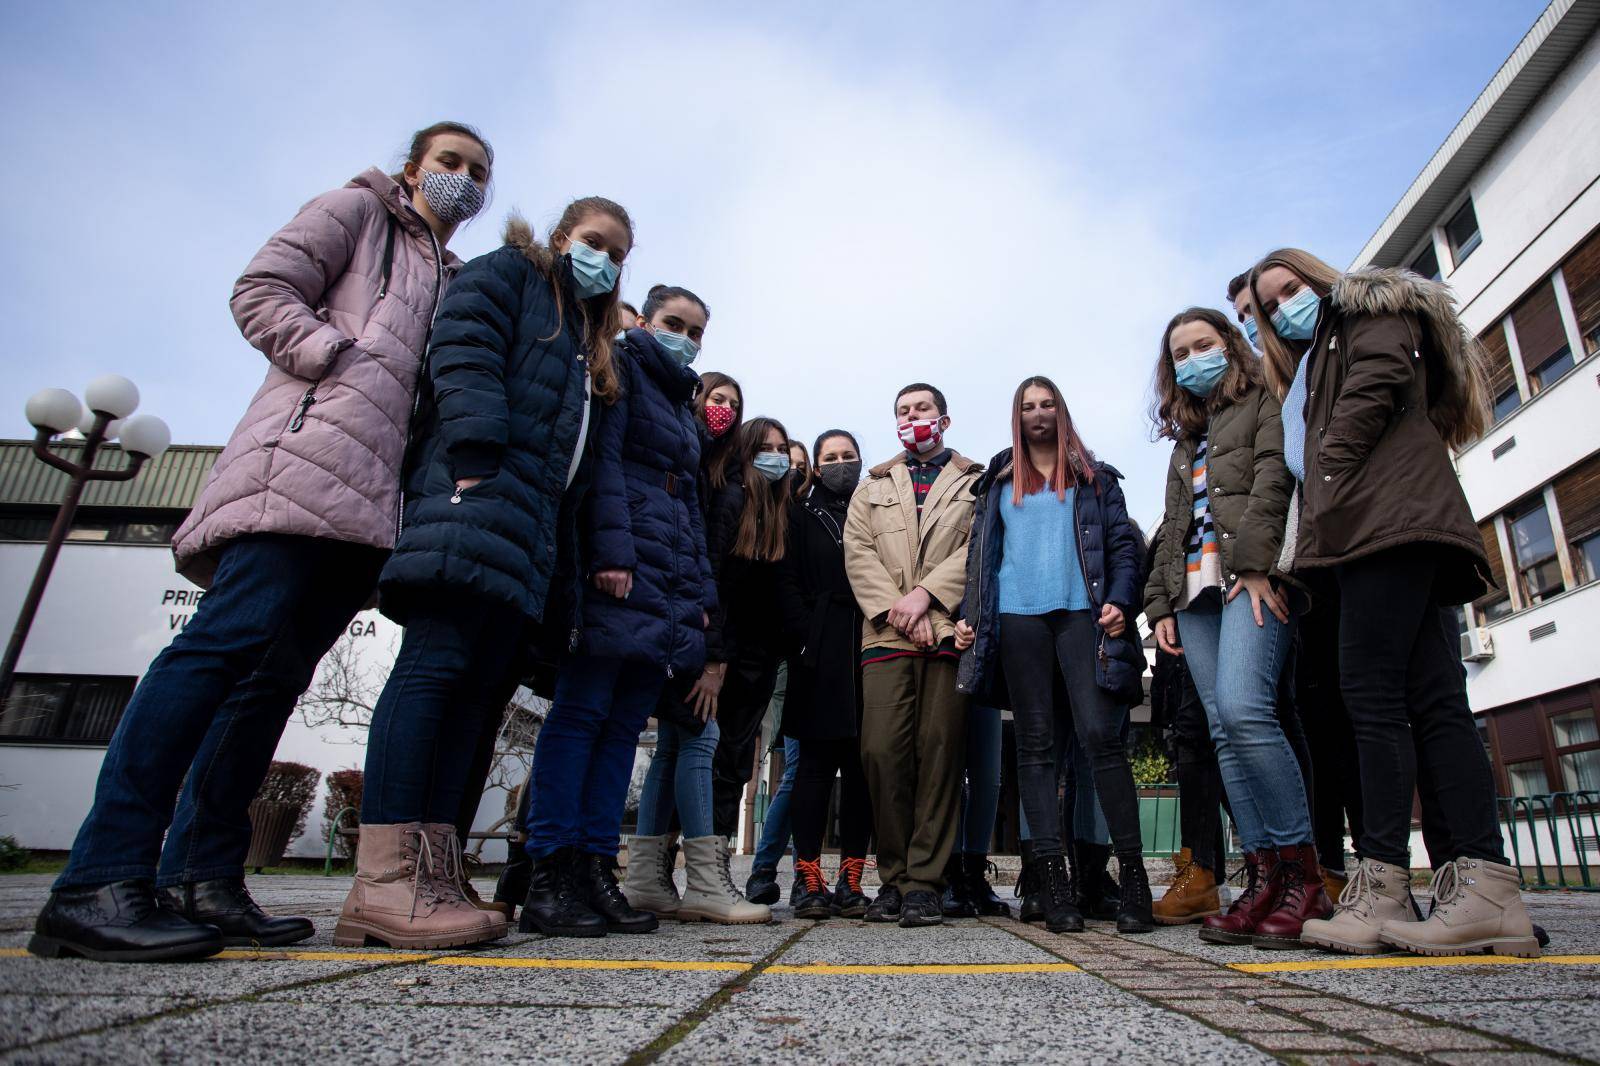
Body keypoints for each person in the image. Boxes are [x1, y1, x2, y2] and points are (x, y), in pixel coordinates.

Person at [29, 122, 493, 963]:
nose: (461, 178)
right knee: (217, 651)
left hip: (368, 506)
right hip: (302, 467)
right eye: (448, 162)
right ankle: (97, 877)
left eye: (477, 171)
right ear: (413, 167)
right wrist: (333, 355)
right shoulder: (359, 211)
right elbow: (263, 286)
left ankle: (202, 876)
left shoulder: (452, 275)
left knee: (270, 683)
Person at [332, 196, 633, 950]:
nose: (605, 259)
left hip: (527, 534)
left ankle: (433, 873)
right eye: (595, 242)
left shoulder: (585, 339)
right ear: (563, 238)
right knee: (434, 672)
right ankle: (384, 881)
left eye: (619, 254)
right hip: (476, 502)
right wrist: (474, 454)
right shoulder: (514, 277)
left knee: (475, 698)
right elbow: (462, 350)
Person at [1250, 249, 1539, 957]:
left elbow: (1379, 381)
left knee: (1372, 700)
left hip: (1386, 526)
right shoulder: (1318, 354)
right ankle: (1483, 890)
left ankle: (1382, 887)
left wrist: (1328, 471)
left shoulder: (1367, 311)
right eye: (1269, 304)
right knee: (1436, 700)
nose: (1285, 305)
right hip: (1392, 525)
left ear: (1320, 280)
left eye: (1292, 289)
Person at [515, 284, 718, 938]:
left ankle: (597, 868)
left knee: (624, 727)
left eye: (695, 330)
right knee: (581, 715)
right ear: (647, 320)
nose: (683, 336)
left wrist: (700, 595)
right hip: (619, 568)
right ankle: (550, 869)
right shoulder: (620, 368)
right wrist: (611, 553)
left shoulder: (682, 402)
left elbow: (688, 505)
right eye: (673, 323)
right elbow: (601, 462)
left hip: (667, 581)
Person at [1144, 307, 1331, 949]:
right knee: (1223, 730)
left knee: (1249, 711)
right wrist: (1160, 605)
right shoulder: (1183, 440)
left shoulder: (1264, 402)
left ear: (1228, 344)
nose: (1194, 357)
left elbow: (1276, 479)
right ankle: (1261, 879)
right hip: (1194, 596)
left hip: (1250, 579)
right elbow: (1173, 527)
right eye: (1181, 353)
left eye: (1205, 343)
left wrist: (1255, 566)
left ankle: (1301, 877)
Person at [955, 376, 1153, 935]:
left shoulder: (1095, 479)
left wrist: (1119, 601)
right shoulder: (996, 482)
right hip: (1018, 621)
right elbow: (981, 557)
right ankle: (1053, 883)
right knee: (1037, 748)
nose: (1038, 414)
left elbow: (1122, 545)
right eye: (1027, 406)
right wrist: (971, 615)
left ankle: (1135, 878)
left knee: (1099, 738)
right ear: (1015, 417)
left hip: (1081, 615)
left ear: (1061, 412)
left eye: (1047, 404)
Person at [623, 416, 786, 925]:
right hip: (702, 649)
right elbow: (711, 579)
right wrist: (712, 659)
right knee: (697, 744)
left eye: (782, 448)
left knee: (674, 748)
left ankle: (647, 880)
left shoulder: (766, 508)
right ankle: (703, 883)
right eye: (765, 448)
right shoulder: (732, 500)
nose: (776, 457)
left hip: (719, 649)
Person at [844, 382, 982, 928]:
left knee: (940, 755)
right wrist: (900, 610)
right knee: (882, 755)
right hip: (885, 635)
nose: (911, 417)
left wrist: (927, 598)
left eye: (921, 408)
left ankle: (925, 883)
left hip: (946, 633)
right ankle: (893, 879)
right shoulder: (871, 484)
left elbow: (979, 548)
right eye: (902, 411)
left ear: (943, 420)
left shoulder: (975, 481)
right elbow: (857, 551)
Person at [775, 430, 876, 920]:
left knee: (861, 771)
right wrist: (802, 636)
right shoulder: (799, 513)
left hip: (868, 645)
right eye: (830, 458)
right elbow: (786, 579)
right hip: (817, 649)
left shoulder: (873, 510)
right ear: (816, 466)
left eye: (848, 456)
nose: (840, 464)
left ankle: (852, 877)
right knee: (813, 770)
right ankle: (807, 875)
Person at [744, 438, 816, 905]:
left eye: (800, 466)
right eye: (786, 464)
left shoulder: (812, 518)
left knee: (807, 769)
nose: (792, 472)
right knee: (796, 769)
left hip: (817, 653)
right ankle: (764, 868)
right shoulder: (763, 516)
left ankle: (798, 872)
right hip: (786, 657)